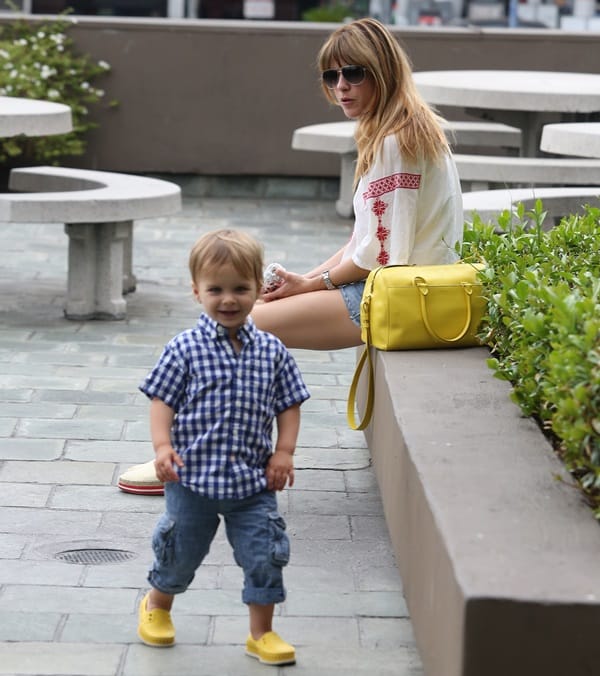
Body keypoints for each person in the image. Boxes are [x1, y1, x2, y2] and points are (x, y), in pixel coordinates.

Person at [118, 17, 463, 491]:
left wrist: (316, 285)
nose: (342, 87)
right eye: (331, 76)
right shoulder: (398, 129)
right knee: (248, 310)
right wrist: (302, 281)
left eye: (354, 74)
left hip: (394, 296)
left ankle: (189, 461)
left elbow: (380, 256)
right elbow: (361, 242)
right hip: (391, 287)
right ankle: (214, 450)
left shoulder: (396, 141)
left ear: (383, 71)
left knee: (235, 330)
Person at [136, 229, 309, 666]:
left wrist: (284, 451)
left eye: (240, 289)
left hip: (253, 482)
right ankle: (157, 605)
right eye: (215, 289)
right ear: (197, 291)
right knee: (180, 552)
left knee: (264, 554)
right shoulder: (184, 349)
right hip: (190, 479)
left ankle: (261, 634)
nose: (228, 299)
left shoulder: (272, 350)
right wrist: (162, 447)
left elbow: (289, 403)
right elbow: (162, 400)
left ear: (259, 290)